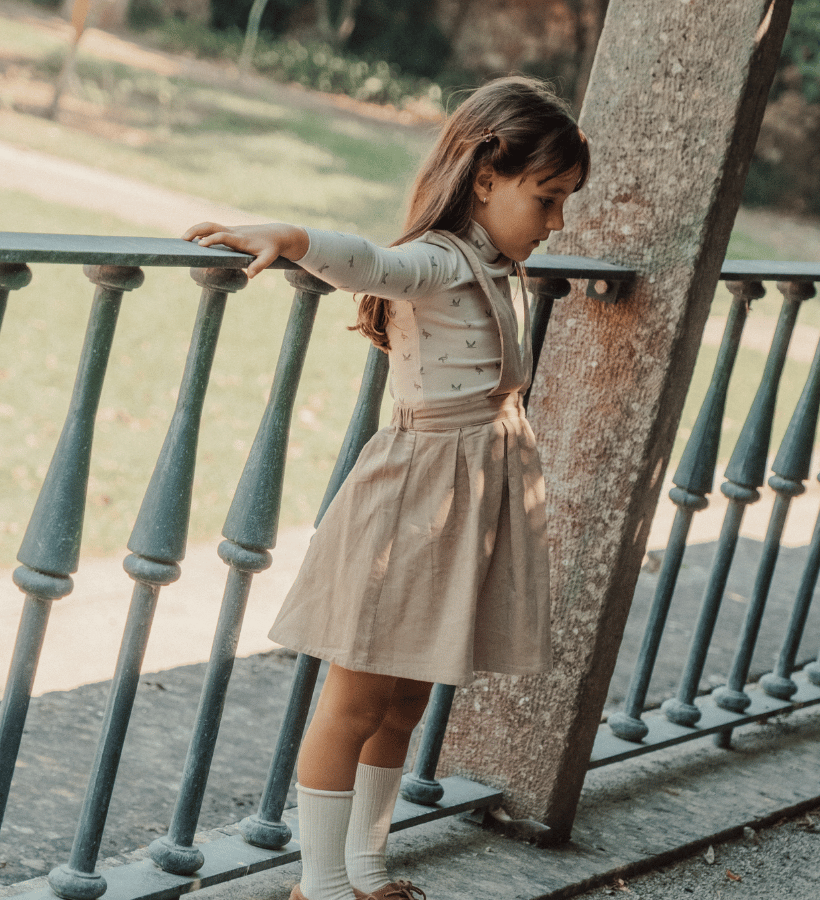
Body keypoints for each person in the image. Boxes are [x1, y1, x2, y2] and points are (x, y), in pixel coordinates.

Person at [184, 75, 589, 900]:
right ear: (485, 179)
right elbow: (373, 262)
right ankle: (319, 885)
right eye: (546, 199)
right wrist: (293, 236)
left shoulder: (498, 263)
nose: (556, 223)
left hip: (468, 502)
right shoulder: (440, 259)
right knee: (358, 698)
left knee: (406, 700)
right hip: (415, 502)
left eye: (563, 204)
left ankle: (366, 870)